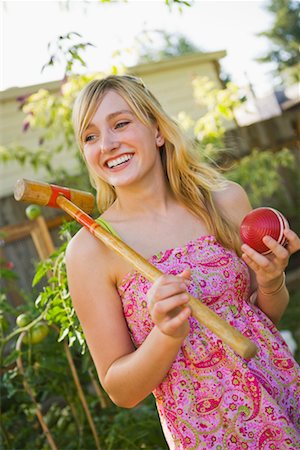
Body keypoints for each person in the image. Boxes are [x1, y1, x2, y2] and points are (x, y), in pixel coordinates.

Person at [66, 75, 300, 449]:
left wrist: (272, 283)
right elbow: (121, 390)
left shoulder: (224, 202)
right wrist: (166, 334)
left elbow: (259, 323)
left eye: (120, 123)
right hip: (209, 433)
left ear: (157, 130)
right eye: (90, 136)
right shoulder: (91, 250)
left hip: (283, 392)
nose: (107, 144)